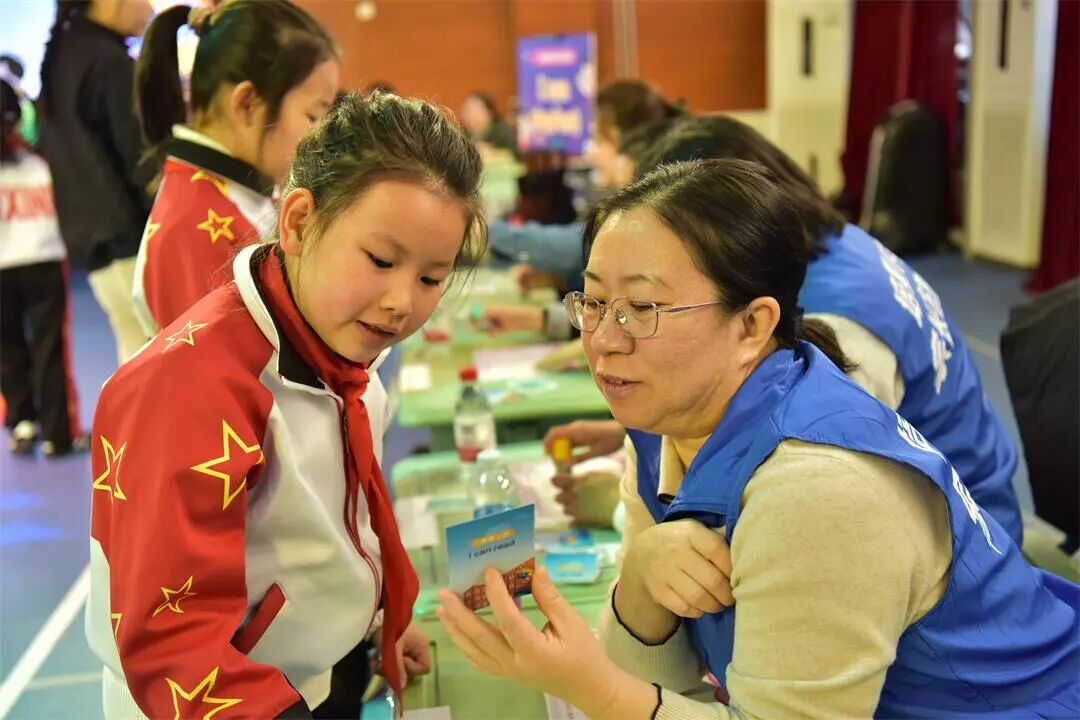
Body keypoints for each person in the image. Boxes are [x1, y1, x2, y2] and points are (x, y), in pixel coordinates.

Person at [436, 160, 1079, 719]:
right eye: (595, 303)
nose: (603, 340)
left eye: (642, 309)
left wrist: (592, 687)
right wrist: (638, 579)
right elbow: (662, 681)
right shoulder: (663, 423)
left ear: (752, 325)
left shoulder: (817, 490)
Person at [85, 92, 486, 718]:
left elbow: (334, 515)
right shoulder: (186, 391)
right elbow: (173, 643)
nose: (402, 302)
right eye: (381, 260)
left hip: (316, 670)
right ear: (298, 223)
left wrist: (375, 616)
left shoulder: (343, 344)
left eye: (431, 278)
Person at [546, 115, 1024, 546]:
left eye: (644, 305)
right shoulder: (834, 246)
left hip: (960, 540)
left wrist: (621, 509)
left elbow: (808, 501)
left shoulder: (841, 334)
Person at [131, 0, 339, 335]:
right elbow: (218, 362)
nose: (317, 138)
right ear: (247, 104)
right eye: (313, 116)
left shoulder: (245, 190)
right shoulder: (192, 227)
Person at [37, 0, 155, 363]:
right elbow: (142, 163)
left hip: (94, 244)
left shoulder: (63, 56)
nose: (149, 9)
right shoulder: (109, 62)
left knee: (135, 356)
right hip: (133, 238)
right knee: (161, 359)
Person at [0, 76, 85, 457]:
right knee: (50, 349)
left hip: (6, 267)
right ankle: (57, 435)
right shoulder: (40, 162)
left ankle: (21, 423)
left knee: (7, 346)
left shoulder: (38, 161)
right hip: (44, 260)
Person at [459, 91, 516, 155]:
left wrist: (493, 152)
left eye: (475, 110)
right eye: (467, 109)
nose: (470, 114)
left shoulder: (501, 129)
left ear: (489, 112)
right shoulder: (460, 133)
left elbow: (513, 152)